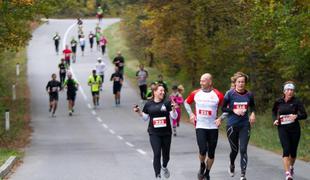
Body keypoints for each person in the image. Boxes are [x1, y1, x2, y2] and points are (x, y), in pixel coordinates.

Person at [184, 73, 224, 180]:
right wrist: (191, 114)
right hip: (200, 126)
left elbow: (227, 108)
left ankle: (207, 172)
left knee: (211, 153)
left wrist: (220, 118)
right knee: (202, 150)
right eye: (200, 80)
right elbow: (186, 102)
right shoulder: (196, 93)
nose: (201, 82)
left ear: (210, 82)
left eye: (204, 81)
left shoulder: (218, 95)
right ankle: (202, 164)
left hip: (213, 127)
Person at [133, 84, 177, 179]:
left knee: (166, 156)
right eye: (161, 90)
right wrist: (139, 112)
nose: (163, 92)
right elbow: (145, 118)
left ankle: (164, 166)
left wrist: (173, 109)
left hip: (166, 133)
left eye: (163, 91)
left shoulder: (167, 102)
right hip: (154, 133)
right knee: (157, 153)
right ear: (155, 92)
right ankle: (158, 176)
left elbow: (174, 117)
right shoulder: (149, 104)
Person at [221, 72, 256, 180]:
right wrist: (234, 110)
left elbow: (253, 107)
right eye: (239, 82)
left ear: (245, 83)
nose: (241, 84)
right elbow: (223, 108)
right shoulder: (229, 94)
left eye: (243, 82)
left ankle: (242, 175)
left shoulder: (249, 95)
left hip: (245, 125)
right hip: (232, 125)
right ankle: (232, 164)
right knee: (234, 150)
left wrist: (253, 114)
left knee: (243, 149)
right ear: (235, 83)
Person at [272, 81, 307, 180]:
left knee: (293, 151)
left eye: (292, 90)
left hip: (295, 129)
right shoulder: (278, 101)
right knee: (286, 149)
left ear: (293, 91)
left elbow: (304, 115)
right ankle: (287, 173)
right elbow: (274, 111)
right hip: (282, 128)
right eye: (288, 90)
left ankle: (291, 167)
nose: (290, 92)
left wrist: (296, 116)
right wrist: (275, 119)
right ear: (284, 91)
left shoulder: (297, 101)